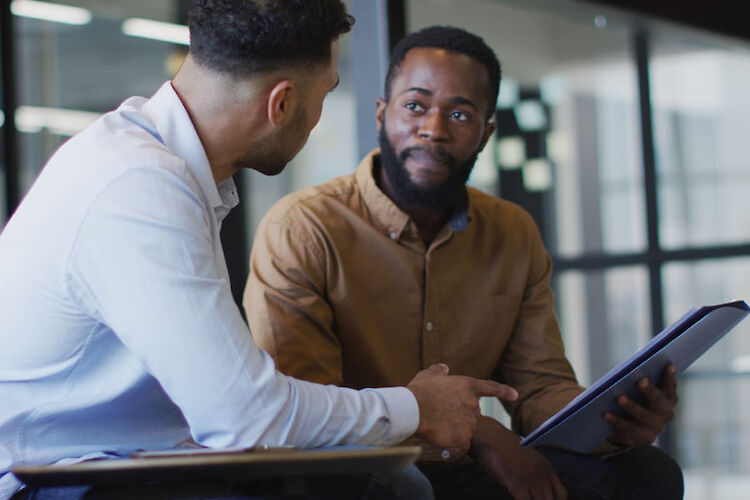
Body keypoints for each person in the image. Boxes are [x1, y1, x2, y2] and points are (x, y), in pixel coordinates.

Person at [0, 4, 521, 499]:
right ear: (282, 103)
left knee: (389, 483)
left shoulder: (154, 166)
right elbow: (244, 416)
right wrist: (414, 408)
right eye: (325, 94)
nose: (318, 115)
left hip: (111, 461)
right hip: (44, 483)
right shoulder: (137, 185)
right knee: (382, 487)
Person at [245, 25, 684, 500]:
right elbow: (305, 406)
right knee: (395, 484)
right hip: (359, 464)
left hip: (470, 468)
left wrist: (614, 418)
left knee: (646, 472)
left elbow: (540, 389)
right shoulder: (302, 227)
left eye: (459, 113)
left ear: (485, 134)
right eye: (415, 106)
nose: (434, 129)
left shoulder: (512, 233)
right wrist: (479, 432)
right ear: (381, 114)